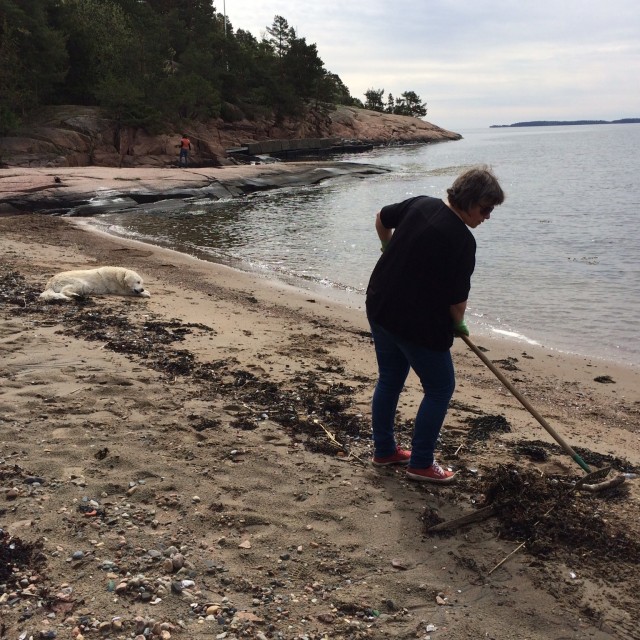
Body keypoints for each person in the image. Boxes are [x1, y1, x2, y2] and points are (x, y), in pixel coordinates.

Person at [365, 166, 505, 483]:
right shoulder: (461, 241)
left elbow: (381, 218)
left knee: (389, 379)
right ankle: (421, 463)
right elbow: (456, 304)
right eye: (486, 209)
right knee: (440, 388)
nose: (487, 216)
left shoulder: (421, 204)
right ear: (469, 201)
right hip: (415, 323)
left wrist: (388, 248)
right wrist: (459, 325)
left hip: (380, 305)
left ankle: (385, 451)